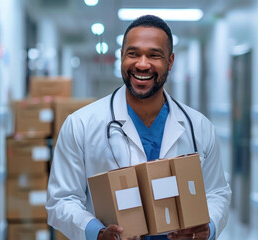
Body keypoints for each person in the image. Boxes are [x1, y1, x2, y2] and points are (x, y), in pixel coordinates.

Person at [46, 15, 231, 240]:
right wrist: (97, 232)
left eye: (154, 55)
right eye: (133, 54)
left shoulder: (199, 127)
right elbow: (61, 200)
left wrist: (208, 227)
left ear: (170, 61)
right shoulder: (81, 124)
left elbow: (217, 192)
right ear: (122, 56)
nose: (142, 64)